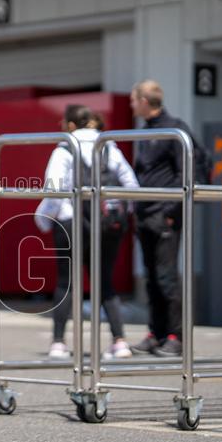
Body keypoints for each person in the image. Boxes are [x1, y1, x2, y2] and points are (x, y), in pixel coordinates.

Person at [35, 104, 139, 360]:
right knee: (105, 282)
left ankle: (59, 343)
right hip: (107, 223)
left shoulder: (64, 148)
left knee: (65, 283)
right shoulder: (108, 146)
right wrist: (121, 213)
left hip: (71, 222)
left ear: (70, 125)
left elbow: (54, 189)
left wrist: (44, 221)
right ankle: (119, 342)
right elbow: (131, 185)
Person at [128, 79, 194, 357]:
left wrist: (170, 212)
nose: (132, 105)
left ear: (144, 101)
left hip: (164, 215)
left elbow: (186, 173)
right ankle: (155, 333)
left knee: (167, 278)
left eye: (134, 99)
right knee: (151, 278)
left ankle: (174, 336)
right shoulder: (146, 131)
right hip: (144, 214)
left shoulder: (175, 129)